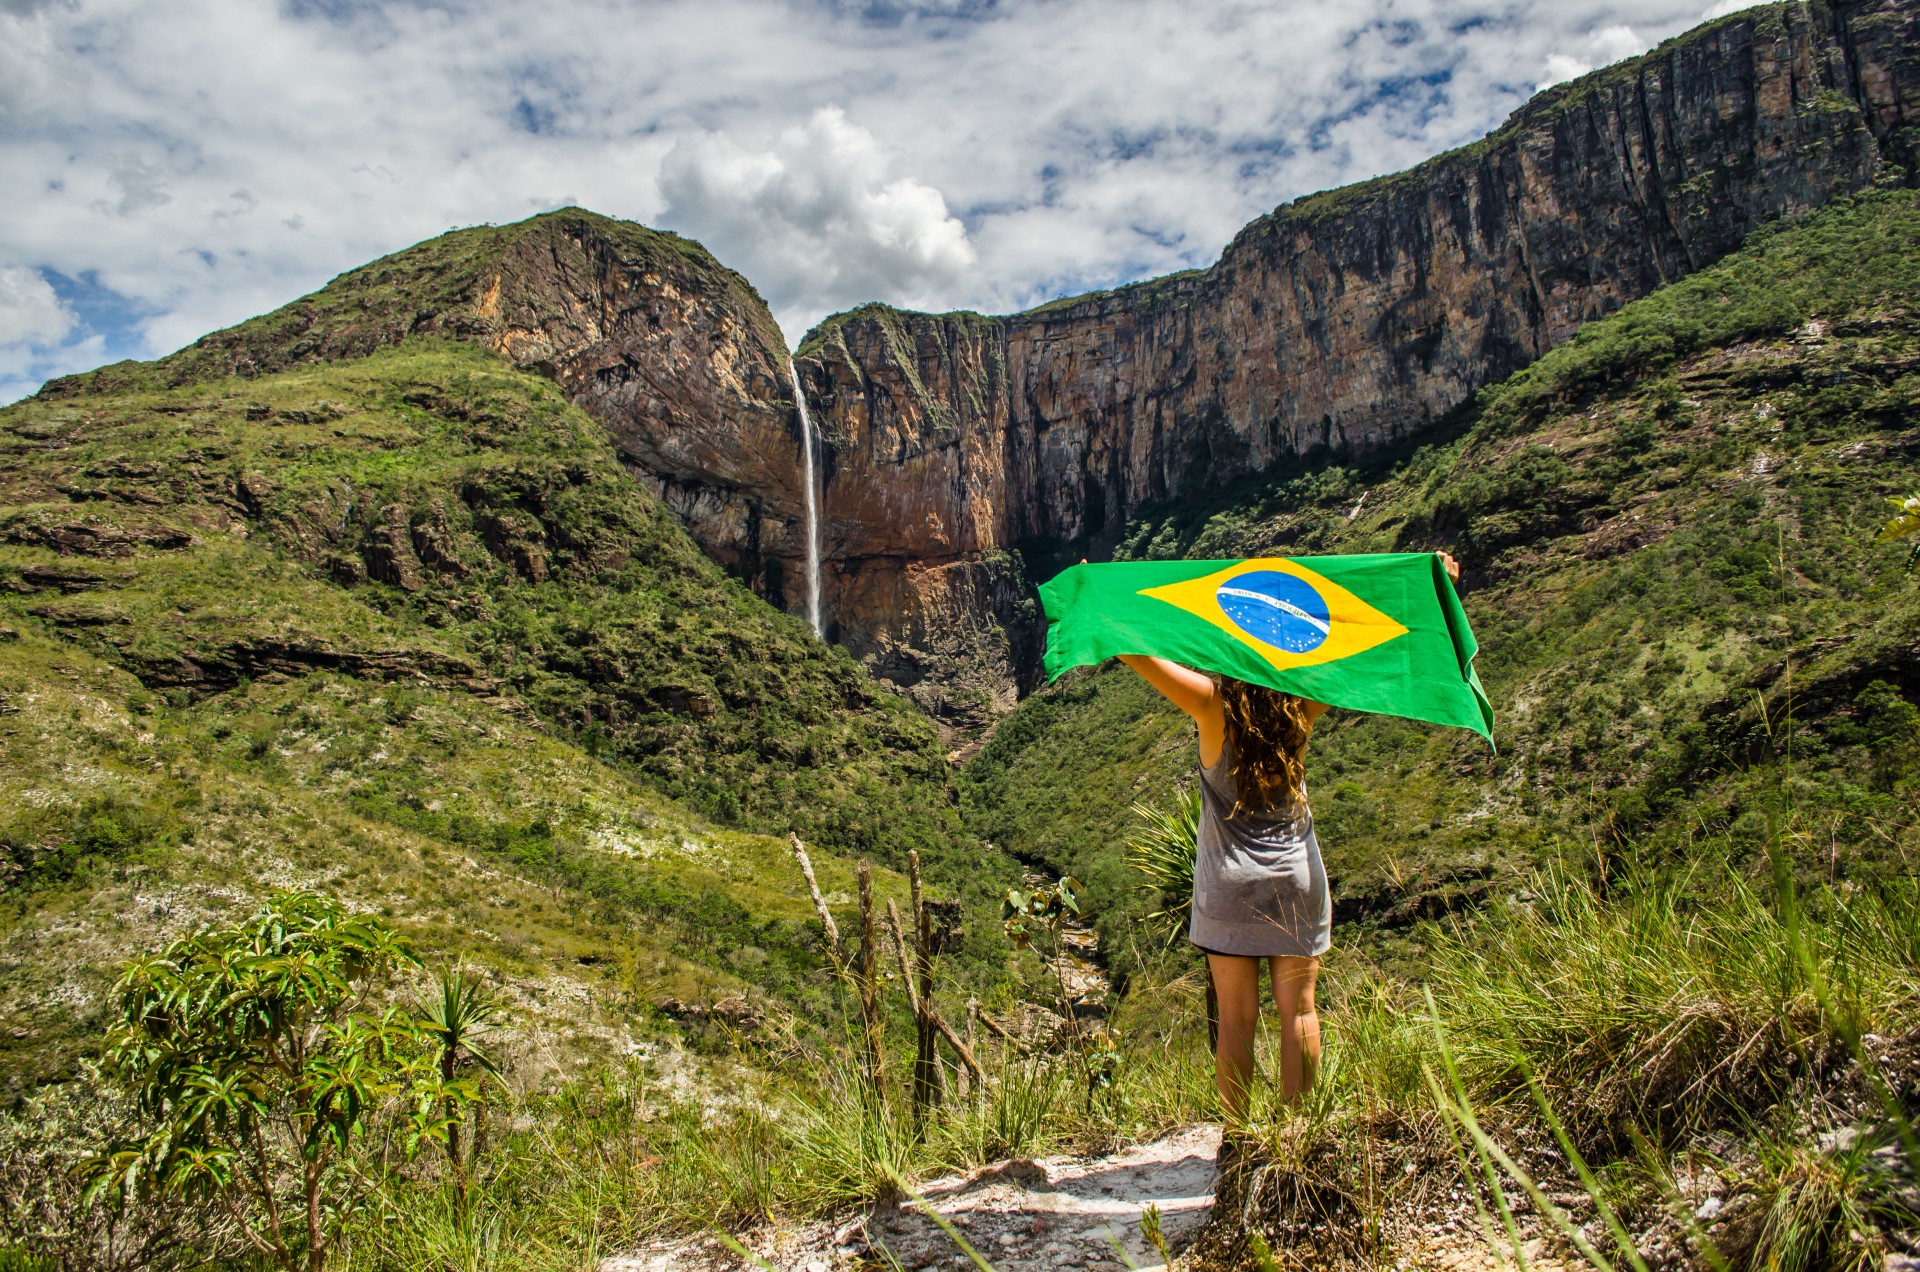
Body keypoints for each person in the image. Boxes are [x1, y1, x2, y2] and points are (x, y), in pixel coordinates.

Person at [1119, 551, 1461, 1132]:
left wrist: (1100, 595)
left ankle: (1241, 1139)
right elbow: (1368, 648)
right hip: (1295, 876)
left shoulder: (1209, 707)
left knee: (1235, 1021)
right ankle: (1298, 1139)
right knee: (1300, 1011)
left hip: (1228, 883)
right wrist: (1433, 589)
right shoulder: (1302, 705)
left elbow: (1132, 648)